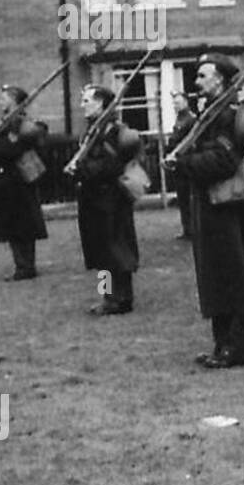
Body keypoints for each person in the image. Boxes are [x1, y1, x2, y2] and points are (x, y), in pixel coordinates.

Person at [167, 53, 244, 369]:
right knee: (215, 275)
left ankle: (238, 348)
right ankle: (222, 343)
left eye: (202, 75)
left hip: (228, 208)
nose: (196, 81)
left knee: (234, 274)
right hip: (212, 205)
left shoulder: (227, 116)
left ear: (220, 80)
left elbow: (223, 161)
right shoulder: (210, 114)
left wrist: (182, 164)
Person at [67, 85, 141, 315]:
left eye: (87, 100)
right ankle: (107, 296)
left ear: (100, 103)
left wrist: (80, 169)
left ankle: (121, 298)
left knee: (116, 250)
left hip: (111, 198)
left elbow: (111, 166)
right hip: (94, 198)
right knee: (100, 251)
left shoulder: (113, 132)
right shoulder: (93, 131)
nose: (83, 105)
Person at [0, 85, 48, 281]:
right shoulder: (5, 123)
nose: (0, 101)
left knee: (22, 226)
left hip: (18, 181)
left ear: (14, 101)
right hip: (8, 181)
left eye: (4, 98)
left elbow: (10, 150)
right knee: (13, 226)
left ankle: (26, 267)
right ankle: (23, 265)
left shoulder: (21, 125)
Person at [168, 91, 197, 239]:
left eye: (178, 103)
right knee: (182, 197)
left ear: (186, 102)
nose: (175, 106)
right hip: (178, 163)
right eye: (174, 103)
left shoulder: (190, 119)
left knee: (188, 196)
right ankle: (187, 228)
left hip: (186, 162)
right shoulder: (180, 118)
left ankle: (192, 228)